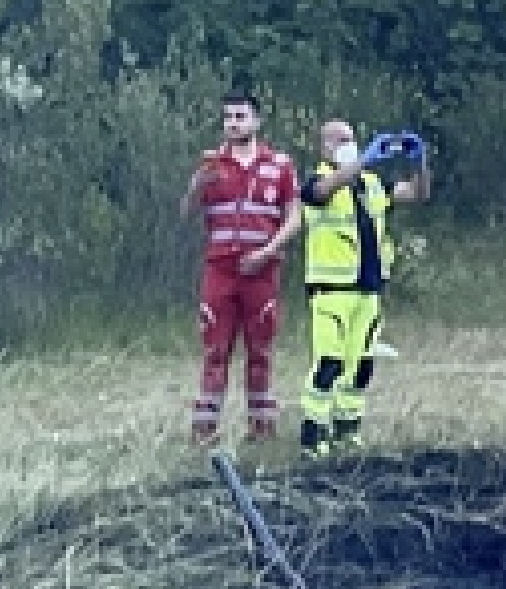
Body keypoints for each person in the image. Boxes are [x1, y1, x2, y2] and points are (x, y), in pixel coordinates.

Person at [297, 119, 431, 457]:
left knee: (360, 365)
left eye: (351, 139)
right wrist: (364, 160)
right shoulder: (316, 183)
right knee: (329, 361)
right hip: (331, 291)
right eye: (338, 140)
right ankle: (314, 435)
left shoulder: (371, 184)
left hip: (367, 290)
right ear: (323, 147)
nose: (346, 145)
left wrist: (419, 162)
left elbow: (417, 194)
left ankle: (347, 430)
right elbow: (323, 192)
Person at [182, 91, 300, 444]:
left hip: (262, 270)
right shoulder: (212, 165)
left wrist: (268, 251)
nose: (233, 124)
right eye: (228, 117)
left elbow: (295, 218)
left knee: (260, 349)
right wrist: (195, 187)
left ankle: (261, 428)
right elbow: (187, 212)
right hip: (221, 269)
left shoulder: (279, 165)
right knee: (215, 349)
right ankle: (205, 429)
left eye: (240, 116)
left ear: (256, 121)